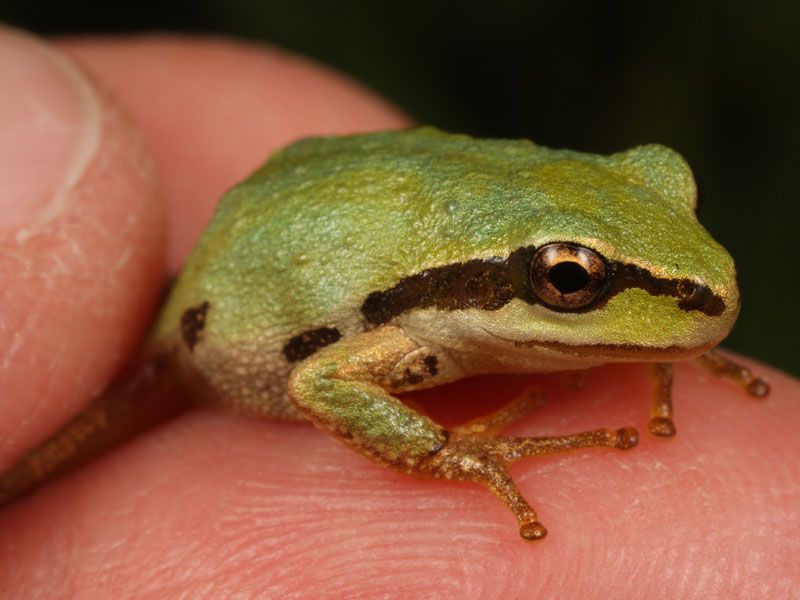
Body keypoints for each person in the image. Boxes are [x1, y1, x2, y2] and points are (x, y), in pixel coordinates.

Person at [0, 26, 797, 597]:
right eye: (569, 278)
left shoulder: (538, 284)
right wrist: (442, 450)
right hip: (215, 330)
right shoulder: (416, 335)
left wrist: (645, 333)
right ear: (496, 288)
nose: (716, 282)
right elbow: (323, 382)